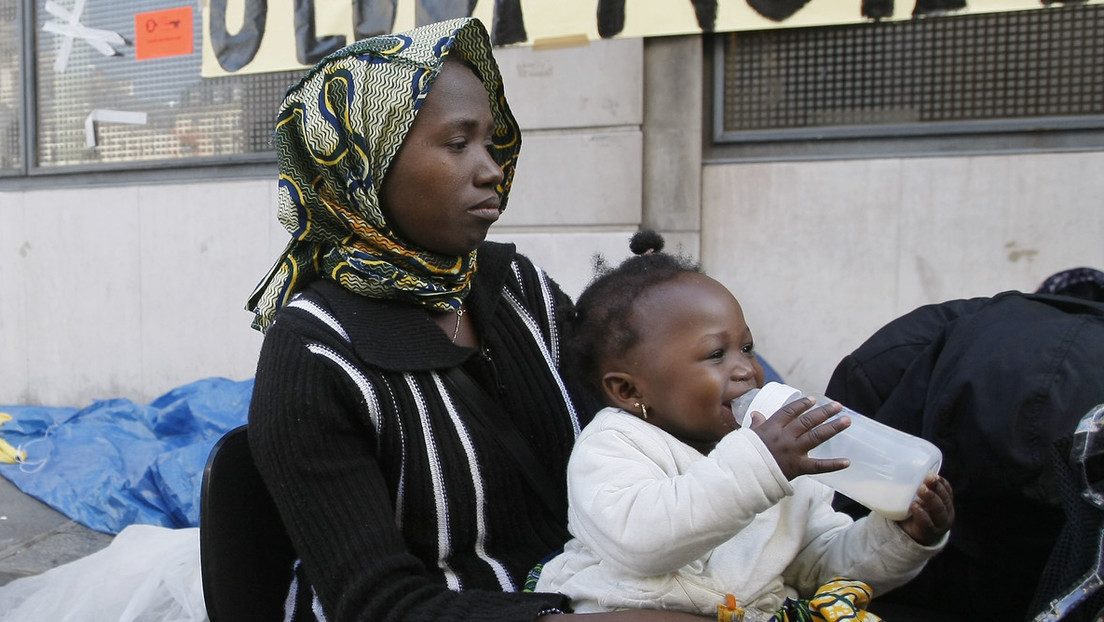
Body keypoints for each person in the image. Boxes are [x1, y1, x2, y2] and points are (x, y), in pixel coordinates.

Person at [245, 17, 710, 622]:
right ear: (366, 164)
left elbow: (637, 441)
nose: (492, 168)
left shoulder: (520, 290)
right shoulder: (315, 355)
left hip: (608, 591)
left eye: (491, 141)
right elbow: (375, 604)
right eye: (458, 142)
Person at [534, 231, 955, 621]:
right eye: (716, 354)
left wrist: (903, 537)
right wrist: (761, 464)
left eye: (748, 347)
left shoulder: (779, 454)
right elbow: (643, 542)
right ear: (629, 390)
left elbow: (822, 570)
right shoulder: (614, 445)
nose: (746, 370)